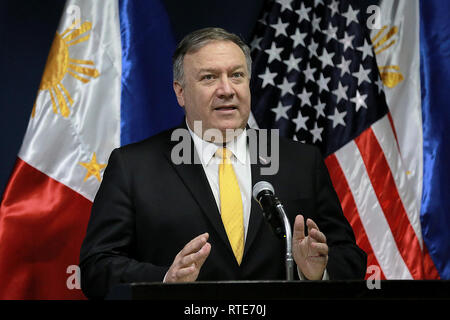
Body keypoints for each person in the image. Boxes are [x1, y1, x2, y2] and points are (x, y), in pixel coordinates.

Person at [79, 27, 367, 299]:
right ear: (180, 92)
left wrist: (315, 273)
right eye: (209, 77)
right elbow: (96, 267)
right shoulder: (133, 167)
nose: (227, 89)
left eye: (237, 75)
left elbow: (349, 255)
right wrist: (166, 280)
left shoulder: (300, 162)